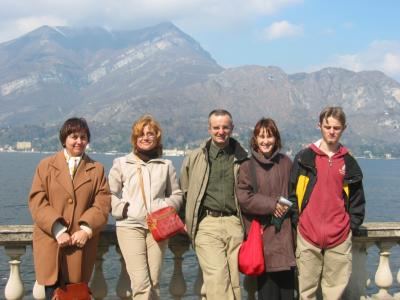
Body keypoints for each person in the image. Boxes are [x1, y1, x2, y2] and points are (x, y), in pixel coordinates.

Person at [28, 117, 111, 300]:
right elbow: (37, 201)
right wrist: (58, 230)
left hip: (79, 246)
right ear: (64, 138)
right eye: (74, 136)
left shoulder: (97, 169)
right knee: (52, 294)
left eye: (83, 137)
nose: (79, 141)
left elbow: (103, 203)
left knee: (76, 295)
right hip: (51, 243)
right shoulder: (45, 166)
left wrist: (86, 230)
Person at [289, 106, 365, 300]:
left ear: (343, 129)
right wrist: (299, 221)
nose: (331, 131)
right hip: (307, 236)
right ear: (319, 126)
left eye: (336, 128)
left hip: (339, 238)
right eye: (327, 126)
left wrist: (350, 227)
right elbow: (292, 194)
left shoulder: (349, 163)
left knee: (335, 293)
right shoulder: (304, 158)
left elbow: (357, 200)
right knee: (306, 293)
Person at [108, 115, 182, 300]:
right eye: (140, 134)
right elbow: (108, 193)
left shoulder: (166, 165)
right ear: (135, 138)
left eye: (150, 134)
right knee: (141, 284)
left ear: (157, 137)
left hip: (158, 227)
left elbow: (177, 194)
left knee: (154, 282)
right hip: (130, 227)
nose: (145, 137)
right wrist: (123, 209)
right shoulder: (122, 163)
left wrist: (164, 207)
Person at [180, 109, 247, 300]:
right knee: (217, 276)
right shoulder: (196, 157)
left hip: (234, 223)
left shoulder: (242, 159)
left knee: (233, 281)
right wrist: (185, 217)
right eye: (216, 127)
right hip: (207, 223)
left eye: (225, 127)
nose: (221, 131)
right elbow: (184, 190)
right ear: (209, 129)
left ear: (232, 129)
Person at [236, 118, 296, 300]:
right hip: (262, 238)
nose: (265, 141)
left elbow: (295, 194)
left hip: (285, 239)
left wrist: (286, 206)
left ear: (276, 138)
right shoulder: (247, 166)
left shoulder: (286, 163)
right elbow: (244, 197)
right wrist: (273, 205)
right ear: (255, 139)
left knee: (287, 294)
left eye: (269, 136)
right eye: (261, 137)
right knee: (267, 292)